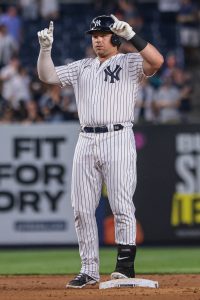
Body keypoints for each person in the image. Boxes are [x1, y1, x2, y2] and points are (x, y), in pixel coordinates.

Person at [37, 14, 163, 288]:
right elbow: (47, 75)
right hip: (86, 139)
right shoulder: (82, 66)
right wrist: (45, 49)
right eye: (93, 35)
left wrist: (133, 37)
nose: (96, 38)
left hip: (118, 136)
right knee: (81, 208)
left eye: (102, 34)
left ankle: (125, 267)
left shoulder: (128, 61)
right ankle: (89, 269)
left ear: (115, 38)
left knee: (121, 204)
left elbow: (157, 61)